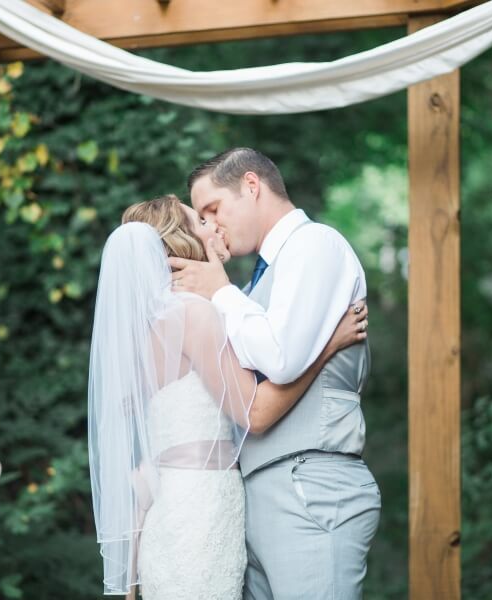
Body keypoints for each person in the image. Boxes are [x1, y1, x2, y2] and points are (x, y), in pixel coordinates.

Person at [88, 196, 368, 599]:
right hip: (201, 513)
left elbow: (142, 465)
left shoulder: (145, 330)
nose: (213, 226)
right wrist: (327, 344)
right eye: (201, 220)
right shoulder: (193, 315)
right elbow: (253, 412)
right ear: (184, 240)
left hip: (168, 510)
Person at [170, 148, 380, 600]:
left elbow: (280, 358)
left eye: (213, 209)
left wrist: (221, 291)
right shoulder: (251, 286)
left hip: (310, 485)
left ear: (251, 186)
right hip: (258, 493)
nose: (212, 225)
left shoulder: (315, 245)